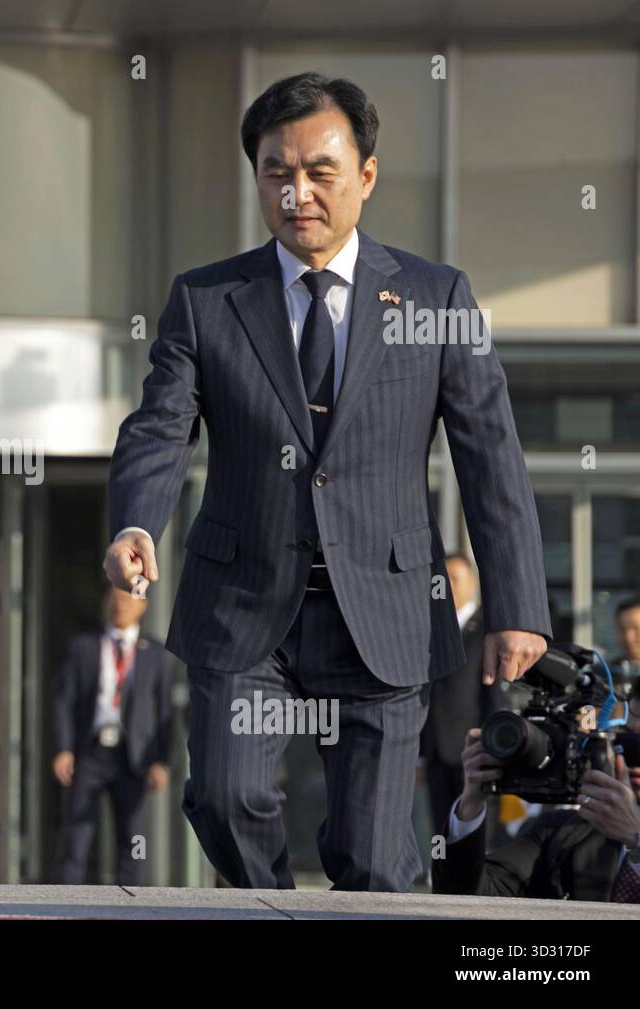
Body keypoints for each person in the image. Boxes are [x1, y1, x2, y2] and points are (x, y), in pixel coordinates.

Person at [104, 72, 550, 891]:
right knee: (226, 793)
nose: (297, 192)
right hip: (244, 605)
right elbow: (160, 426)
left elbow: (491, 453)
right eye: (277, 171)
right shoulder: (207, 301)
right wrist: (135, 522)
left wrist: (517, 605)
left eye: (320, 171)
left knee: (374, 857)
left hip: (383, 610)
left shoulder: (435, 296)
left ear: (367, 176)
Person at [432, 709, 640, 902]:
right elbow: (457, 898)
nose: (634, 757)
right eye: (627, 738)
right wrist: (470, 804)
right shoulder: (563, 834)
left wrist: (636, 837)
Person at [52, 587, 175, 885]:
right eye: (115, 597)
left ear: (143, 605)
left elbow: (165, 712)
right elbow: (63, 701)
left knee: (132, 839)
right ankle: (66, 907)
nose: (120, 603)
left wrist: (161, 761)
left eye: (128, 597)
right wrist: (63, 748)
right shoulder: (83, 647)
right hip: (90, 753)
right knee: (77, 835)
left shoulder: (156, 654)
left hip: (132, 756)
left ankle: (130, 906)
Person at [419, 554, 505, 840]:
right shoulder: (428, 631)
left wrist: (493, 746)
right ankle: (443, 879)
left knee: (477, 829)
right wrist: (420, 754)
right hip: (435, 751)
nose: (448, 587)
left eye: (455, 579)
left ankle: (474, 883)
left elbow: (493, 696)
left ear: (473, 582)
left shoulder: (488, 630)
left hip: (475, 750)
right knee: (441, 829)